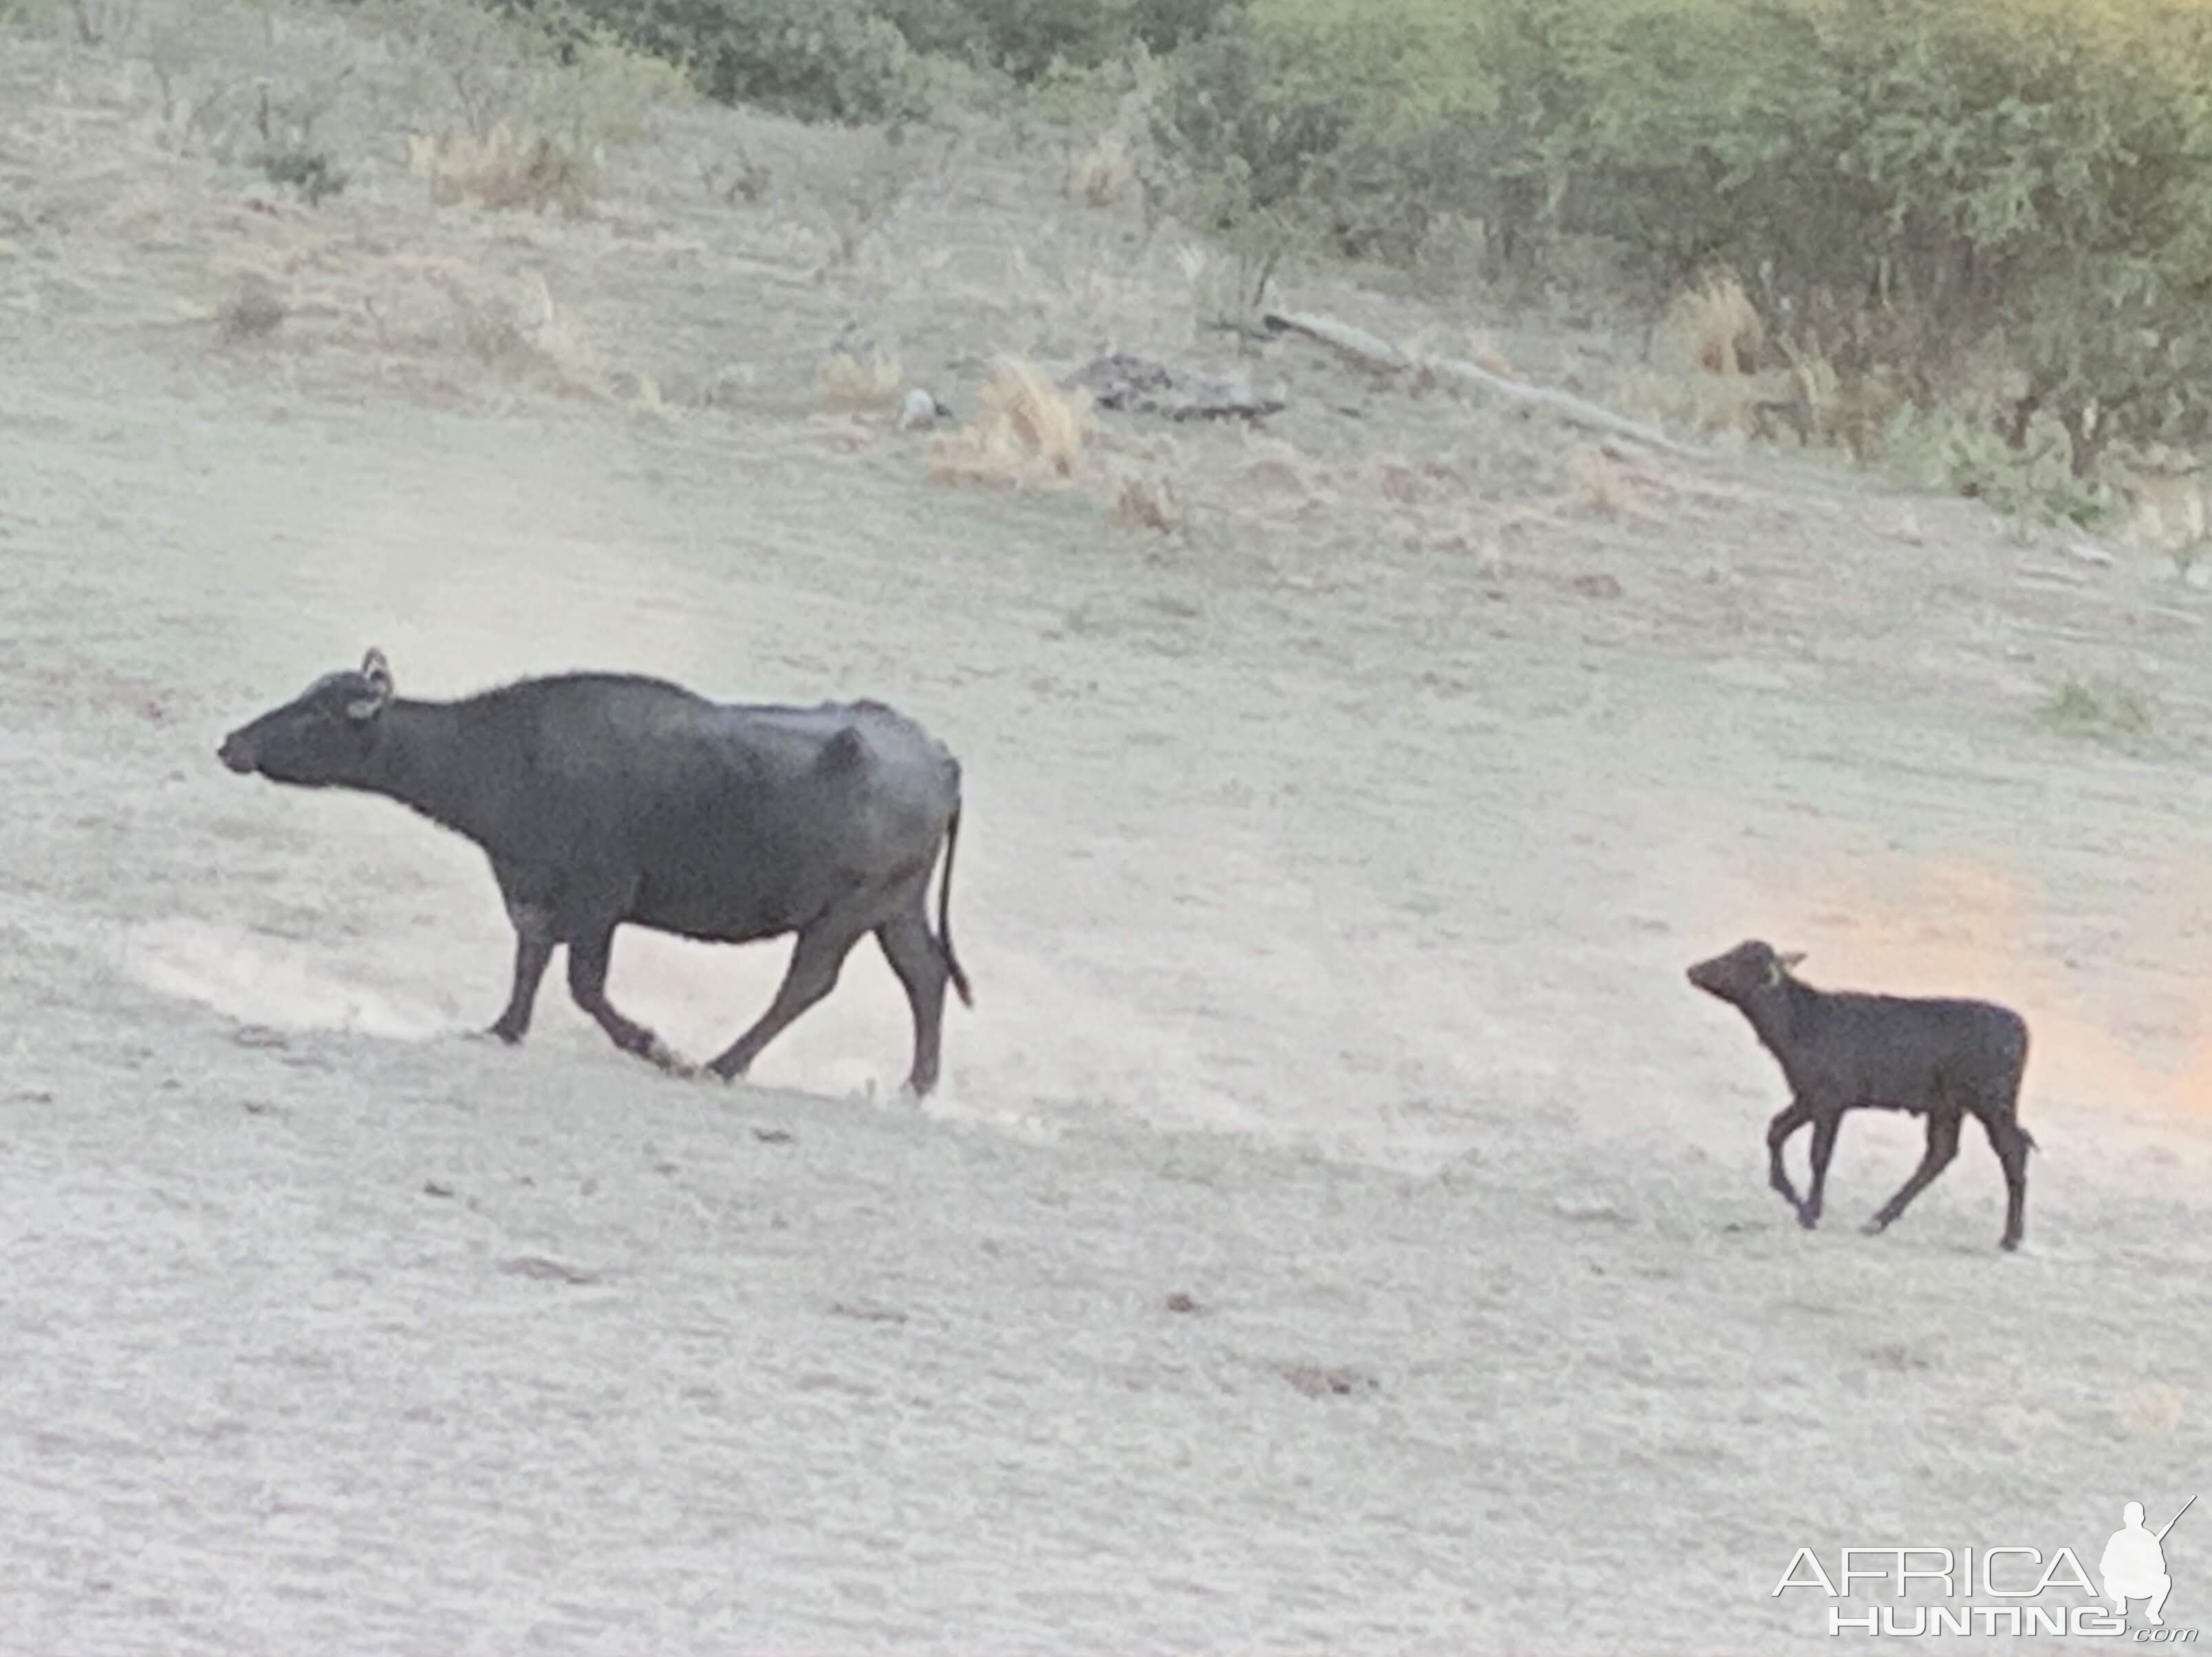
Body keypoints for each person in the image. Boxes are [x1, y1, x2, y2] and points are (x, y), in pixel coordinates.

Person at [2101, 1502, 2173, 1625]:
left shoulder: (2149, 1538)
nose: (2133, 1520)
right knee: (2109, 1579)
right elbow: (2104, 1566)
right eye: (2131, 1517)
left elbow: (2161, 1568)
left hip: (2142, 1585)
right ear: (2125, 1519)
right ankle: (2121, 1602)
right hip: (2120, 1586)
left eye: (2136, 1517)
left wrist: (2146, 1564)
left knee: (2165, 1580)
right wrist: (2121, 1568)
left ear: (2142, 1519)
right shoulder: (2117, 1538)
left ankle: (2153, 1612)